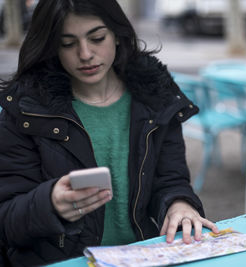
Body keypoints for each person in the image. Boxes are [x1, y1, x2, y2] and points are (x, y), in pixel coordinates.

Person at [0, 0, 218, 265]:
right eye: (68, 43)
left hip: (141, 256)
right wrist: (49, 204)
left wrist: (179, 204)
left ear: (117, 34)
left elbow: (170, 180)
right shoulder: (26, 109)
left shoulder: (156, 97)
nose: (85, 54)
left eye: (97, 38)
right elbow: (7, 219)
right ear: (51, 47)